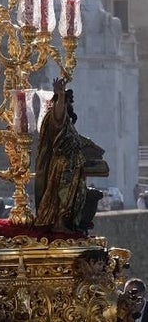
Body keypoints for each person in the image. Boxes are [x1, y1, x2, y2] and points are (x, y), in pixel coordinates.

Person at [34, 78, 108, 233]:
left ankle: (68, 223)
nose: (70, 104)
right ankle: (59, 223)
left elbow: (78, 140)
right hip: (64, 165)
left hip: (74, 165)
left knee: (75, 197)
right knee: (64, 196)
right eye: (69, 102)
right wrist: (60, 95)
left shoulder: (68, 123)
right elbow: (59, 114)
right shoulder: (56, 117)